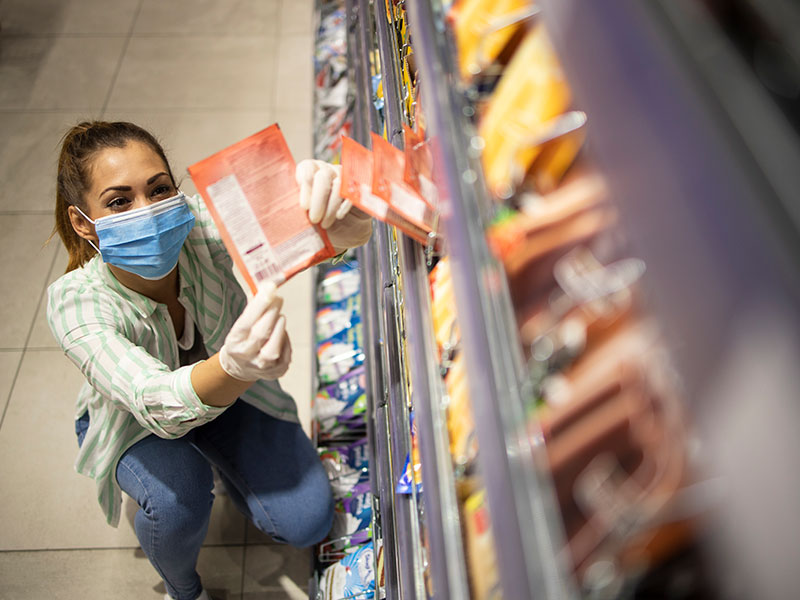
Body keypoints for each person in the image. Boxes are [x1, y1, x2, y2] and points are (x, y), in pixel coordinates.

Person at [47, 121, 373, 600]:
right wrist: (235, 367)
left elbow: (301, 224)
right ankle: (183, 588)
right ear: (82, 221)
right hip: (135, 423)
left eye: (159, 190)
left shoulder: (199, 222)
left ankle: (228, 463)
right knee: (179, 498)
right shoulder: (74, 302)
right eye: (119, 201)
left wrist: (344, 221)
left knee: (307, 521)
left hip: (233, 397)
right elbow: (150, 399)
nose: (150, 212)